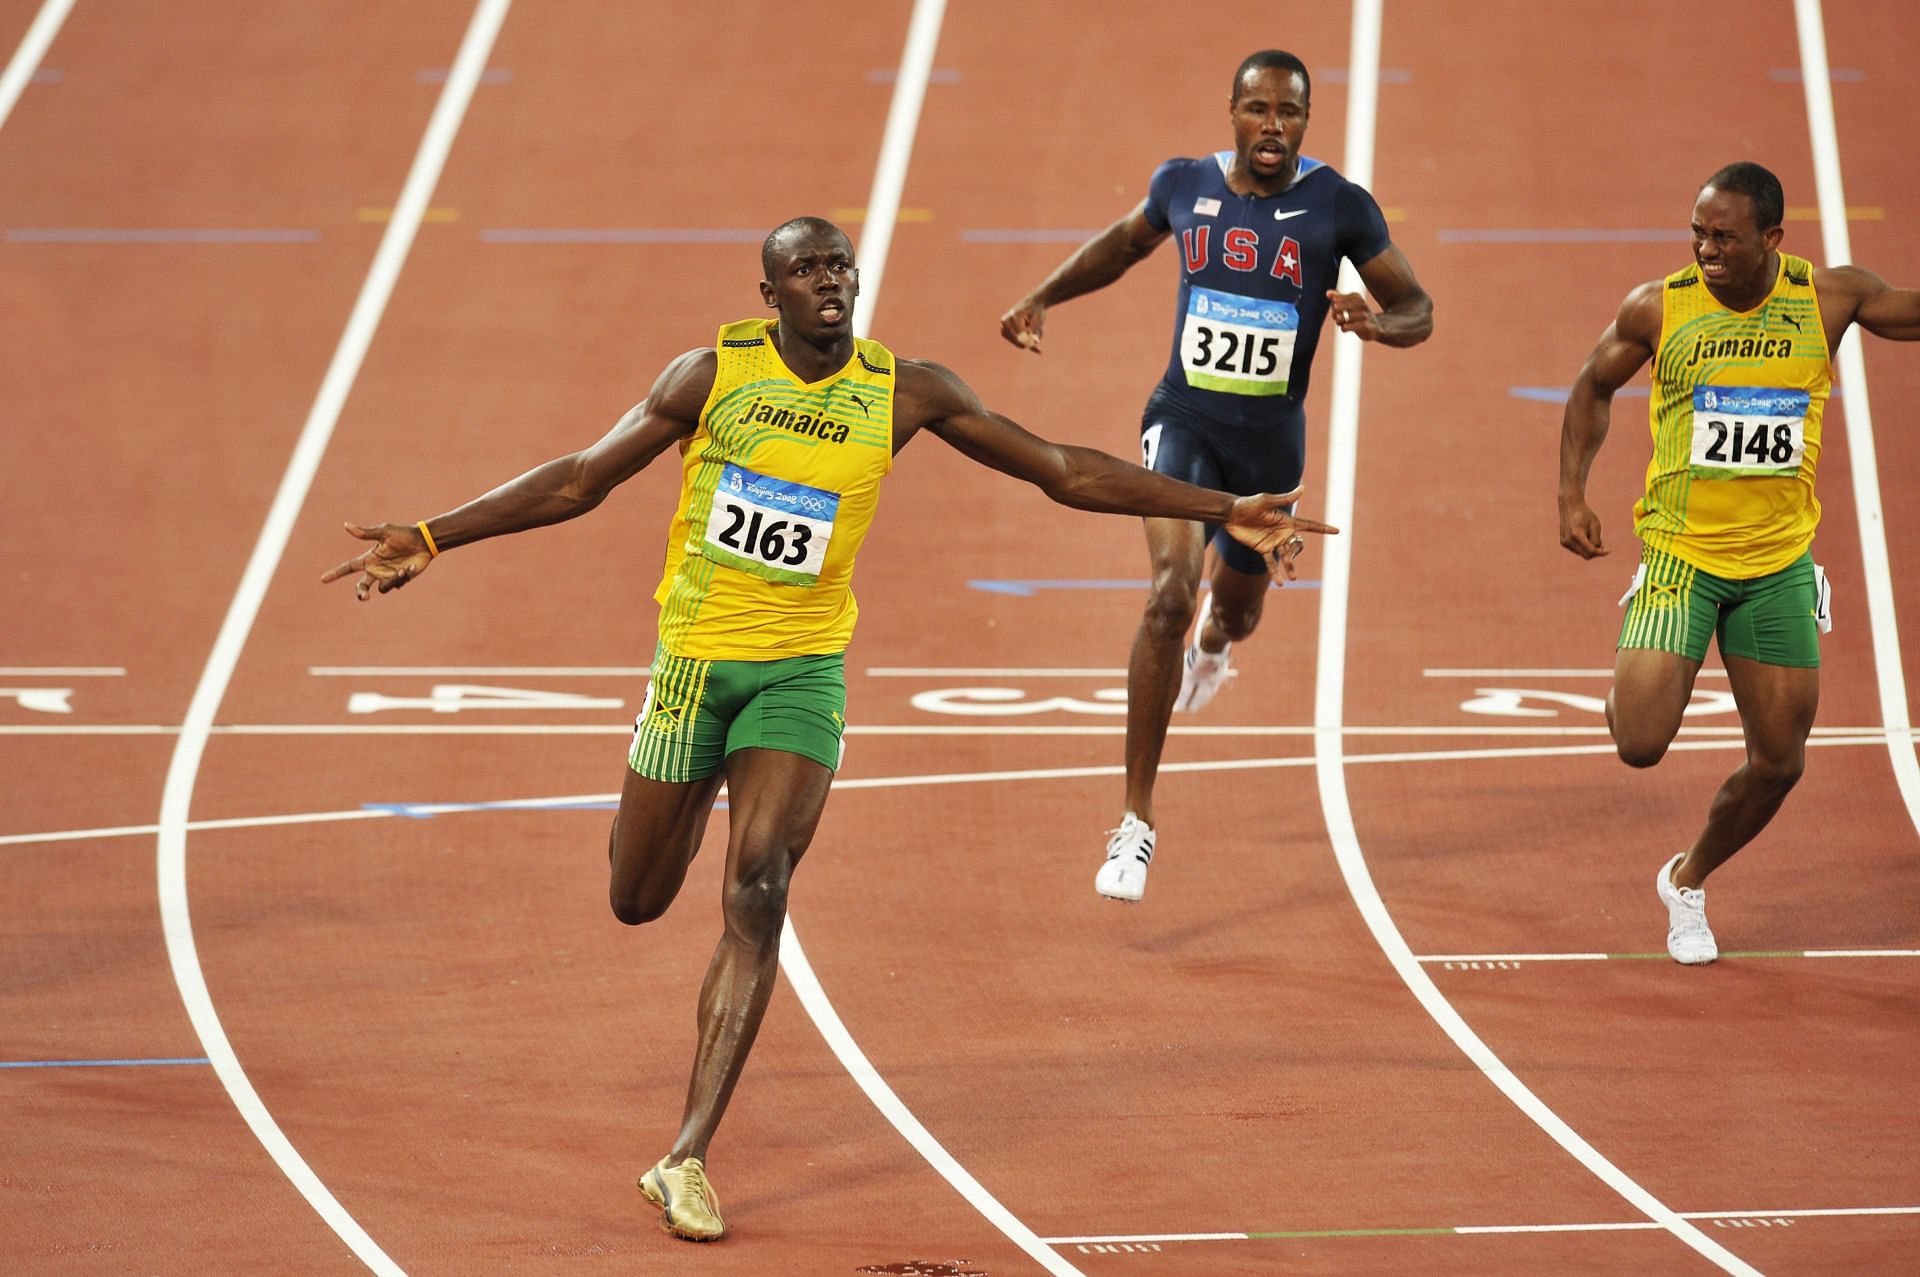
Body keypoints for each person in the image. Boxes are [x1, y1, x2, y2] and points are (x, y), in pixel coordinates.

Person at [323, 216, 1333, 1243]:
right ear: (771, 295)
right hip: (693, 666)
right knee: (637, 895)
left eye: (838, 264)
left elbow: (1062, 469)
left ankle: (685, 1154)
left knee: (757, 885)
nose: (827, 282)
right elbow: (583, 477)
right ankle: (669, 810)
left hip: (801, 676)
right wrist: (436, 535)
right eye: (804, 270)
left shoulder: (906, 390)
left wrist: (1220, 507)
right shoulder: (710, 375)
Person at [998, 49, 1431, 903]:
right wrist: (1041, 296)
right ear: (1231, 111)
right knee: (1168, 591)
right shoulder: (1182, 184)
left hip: (1271, 455)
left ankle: (1214, 647)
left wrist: (1378, 324)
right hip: (1182, 423)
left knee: (1235, 608)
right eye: (1258, 109)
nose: (1274, 126)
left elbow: (1420, 307)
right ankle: (1135, 821)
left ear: (1307, 121)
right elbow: (1121, 248)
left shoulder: (1340, 207)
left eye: (1291, 113)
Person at [1558, 161, 1920, 964]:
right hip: (1683, 555)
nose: (1705, 250)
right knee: (1638, 742)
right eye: (1697, 233)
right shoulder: (1660, 306)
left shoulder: (1828, 298)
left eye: (1723, 237)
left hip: (1777, 564)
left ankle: (1686, 881)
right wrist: (1570, 496)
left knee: (1780, 762)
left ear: (1771, 238)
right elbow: (1591, 386)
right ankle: (1638, 645)